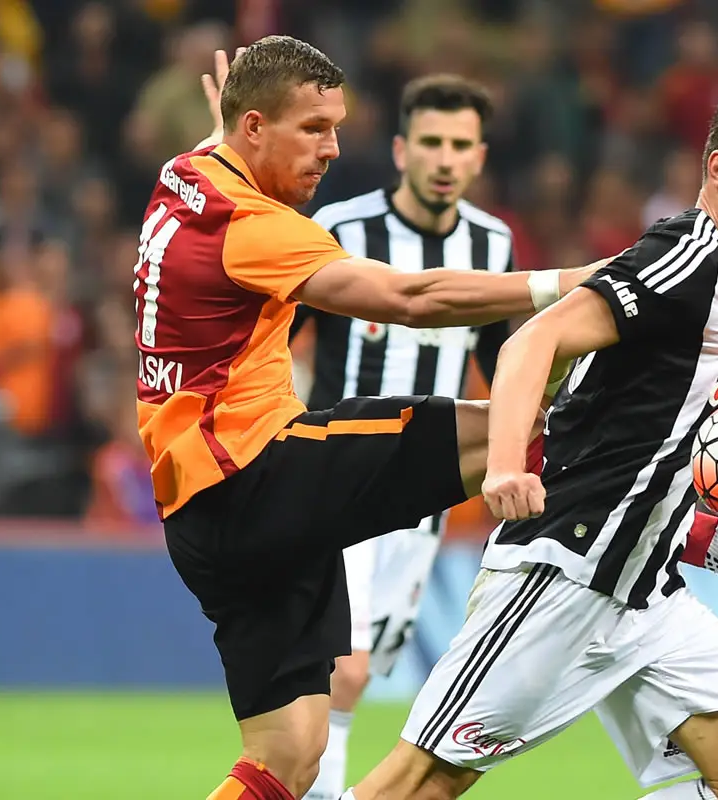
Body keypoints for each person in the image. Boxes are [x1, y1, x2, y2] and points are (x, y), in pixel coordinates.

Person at [134, 36, 601, 800]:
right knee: (499, 425)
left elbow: (217, 140)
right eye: (313, 129)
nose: (332, 147)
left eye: (337, 126)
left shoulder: (182, 176)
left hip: (199, 512)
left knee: (290, 754)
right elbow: (410, 300)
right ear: (253, 128)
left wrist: (229, 124)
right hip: (253, 472)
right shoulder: (252, 226)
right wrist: (577, 280)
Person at [346, 84, 718, 800]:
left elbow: (647, 455)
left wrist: (709, 540)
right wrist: (506, 465)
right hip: (563, 570)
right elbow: (531, 343)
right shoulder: (687, 260)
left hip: (644, 591)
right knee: (418, 786)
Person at [291, 73, 516, 800]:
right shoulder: (343, 231)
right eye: (430, 143)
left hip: (422, 501)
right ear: (400, 149)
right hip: (340, 476)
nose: (444, 158)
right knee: (344, 664)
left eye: (459, 145)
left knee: (361, 671)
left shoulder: (493, 243)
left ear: (479, 157)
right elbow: (279, 338)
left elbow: (501, 362)